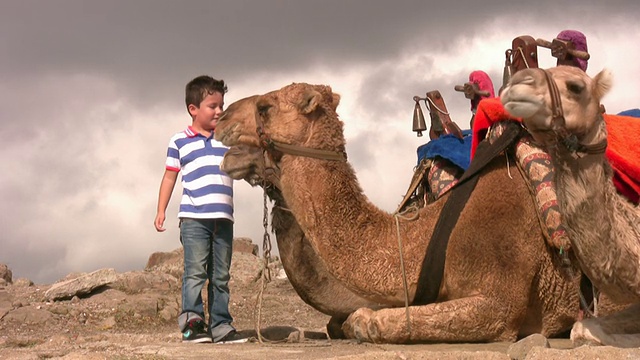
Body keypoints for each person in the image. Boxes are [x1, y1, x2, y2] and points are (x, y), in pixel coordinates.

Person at [154, 75, 246, 344]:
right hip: (194, 218)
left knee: (221, 275)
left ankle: (221, 325)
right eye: (212, 106)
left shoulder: (227, 140)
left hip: (224, 218)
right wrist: (161, 210)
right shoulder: (179, 141)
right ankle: (192, 323)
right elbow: (170, 176)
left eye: (221, 105)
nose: (219, 111)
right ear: (193, 109)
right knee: (195, 272)